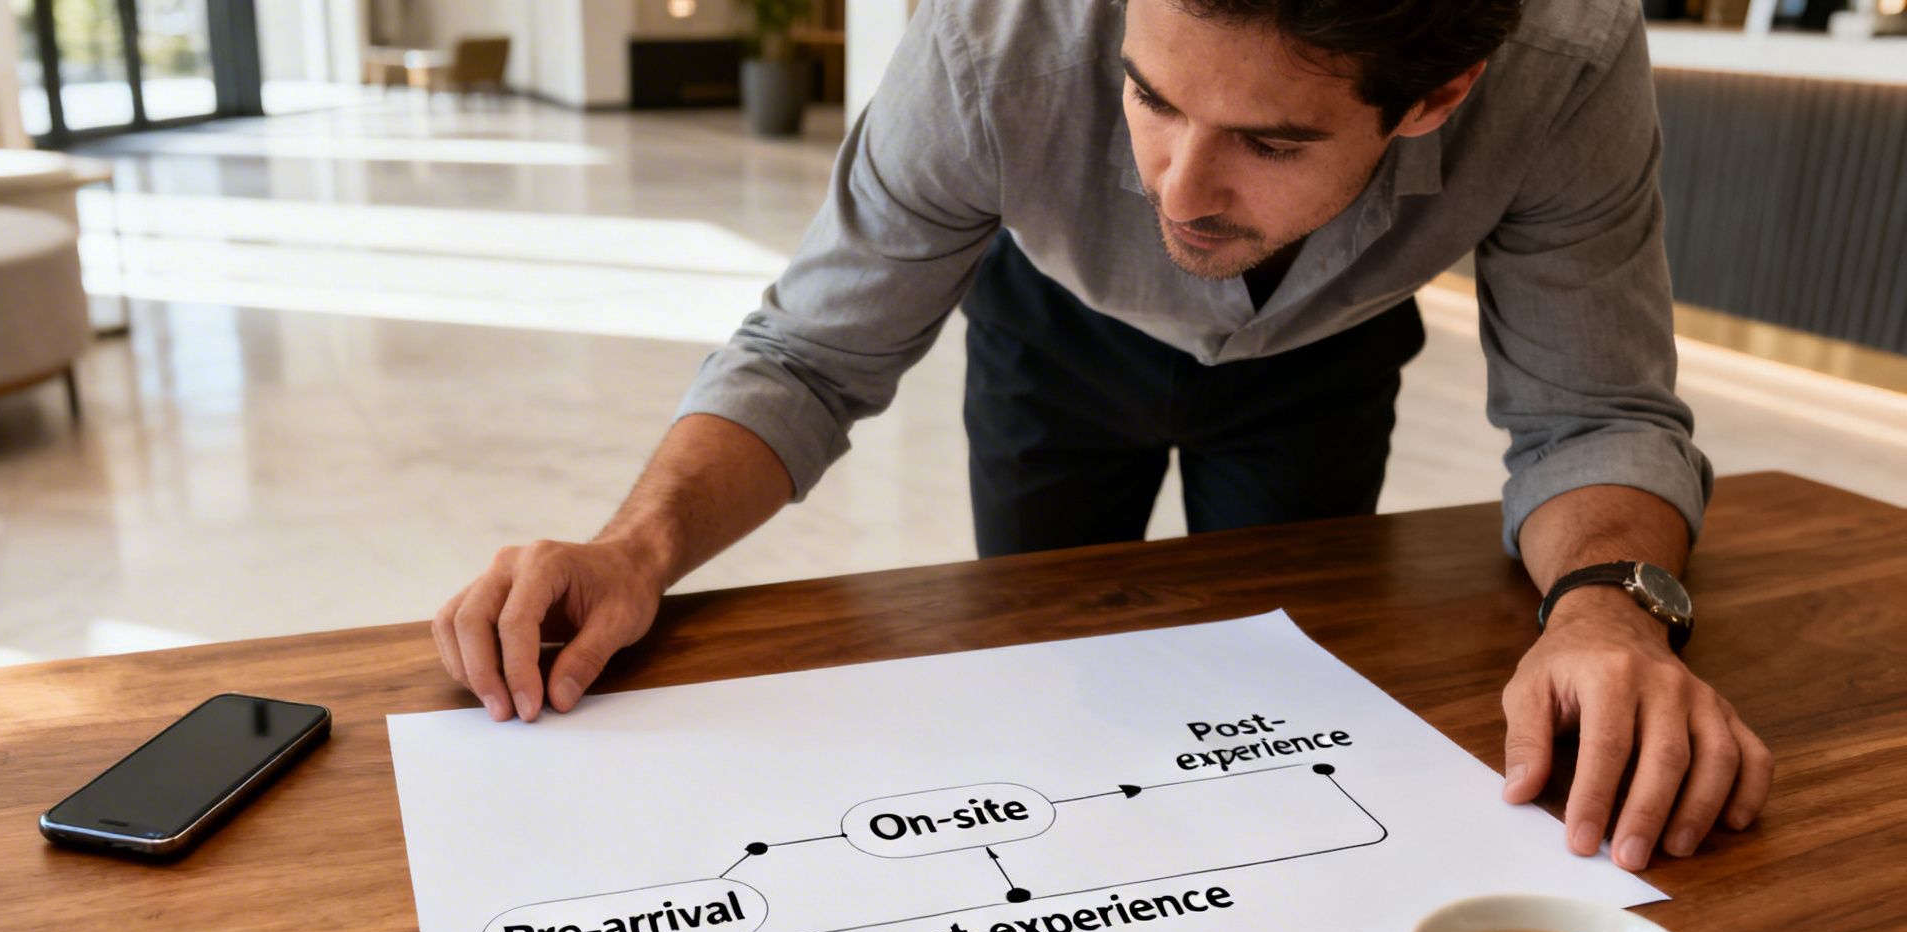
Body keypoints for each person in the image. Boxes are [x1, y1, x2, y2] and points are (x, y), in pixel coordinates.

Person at [432, 0, 1772, 872]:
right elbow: (809, 353)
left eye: (1268, 138)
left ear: (1436, 100)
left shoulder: (1567, 66)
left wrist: (1609, 615)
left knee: (1280, 721)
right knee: (1040, 690)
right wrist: (634, 547)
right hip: (1048, 341)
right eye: (1149, 97)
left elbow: (1593, 410)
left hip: (1326, 359)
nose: (1175, 191)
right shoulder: (988, 41)